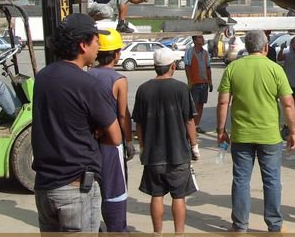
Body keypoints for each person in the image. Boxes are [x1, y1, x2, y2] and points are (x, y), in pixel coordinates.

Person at [32, 13, 122, 233]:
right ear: (83, 45)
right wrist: (98, 131)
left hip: (45, 187)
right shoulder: (88, 84)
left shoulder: (42, 77)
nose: (99, 46)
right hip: (75, 189)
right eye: (96, 40)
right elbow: (115, 137)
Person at [216, 30, 295, 233]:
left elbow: (223, 102)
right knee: (272, 181)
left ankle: (240, 226)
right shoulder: (275, 69)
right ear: (266, 47)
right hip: (269, 136)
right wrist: (293, 131)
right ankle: (274, 225)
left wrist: (221, 130)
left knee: (241, 180)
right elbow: (288, 103)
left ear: (247, 47)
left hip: (241, 135)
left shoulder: (233, 68)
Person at [132, 47, 200, 237]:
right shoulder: (181, 88)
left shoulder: (143, 89)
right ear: (172, 66)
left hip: (153, 155)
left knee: (156, 195)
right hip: (178, 154)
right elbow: (189, 121)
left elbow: (139, 123)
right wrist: (194, 146)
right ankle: (179, 233)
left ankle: (157, 233)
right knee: (179, 196)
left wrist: (143, 147)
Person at [89, 29, 135, 232]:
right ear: (116, 54)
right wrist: (129, 141)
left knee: (95, 187)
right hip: (111, 143)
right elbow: (123, 115)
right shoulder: (119, 80)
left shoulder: (88, 75)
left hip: (92, 142)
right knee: (115, 190)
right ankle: (117, 229)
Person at [184, 34, 212, 134]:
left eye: (202, 37)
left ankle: (197, 125)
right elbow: (187, 66)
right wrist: (190, 80)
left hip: (204, 83)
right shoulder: (189, 52)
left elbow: (208, 67)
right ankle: (191, 128)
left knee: (201, 105)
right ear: (195, 40)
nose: (202, 39)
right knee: (194, 106)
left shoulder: (205, 53)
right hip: (195, 83)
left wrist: (210, 82)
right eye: (200, 38)